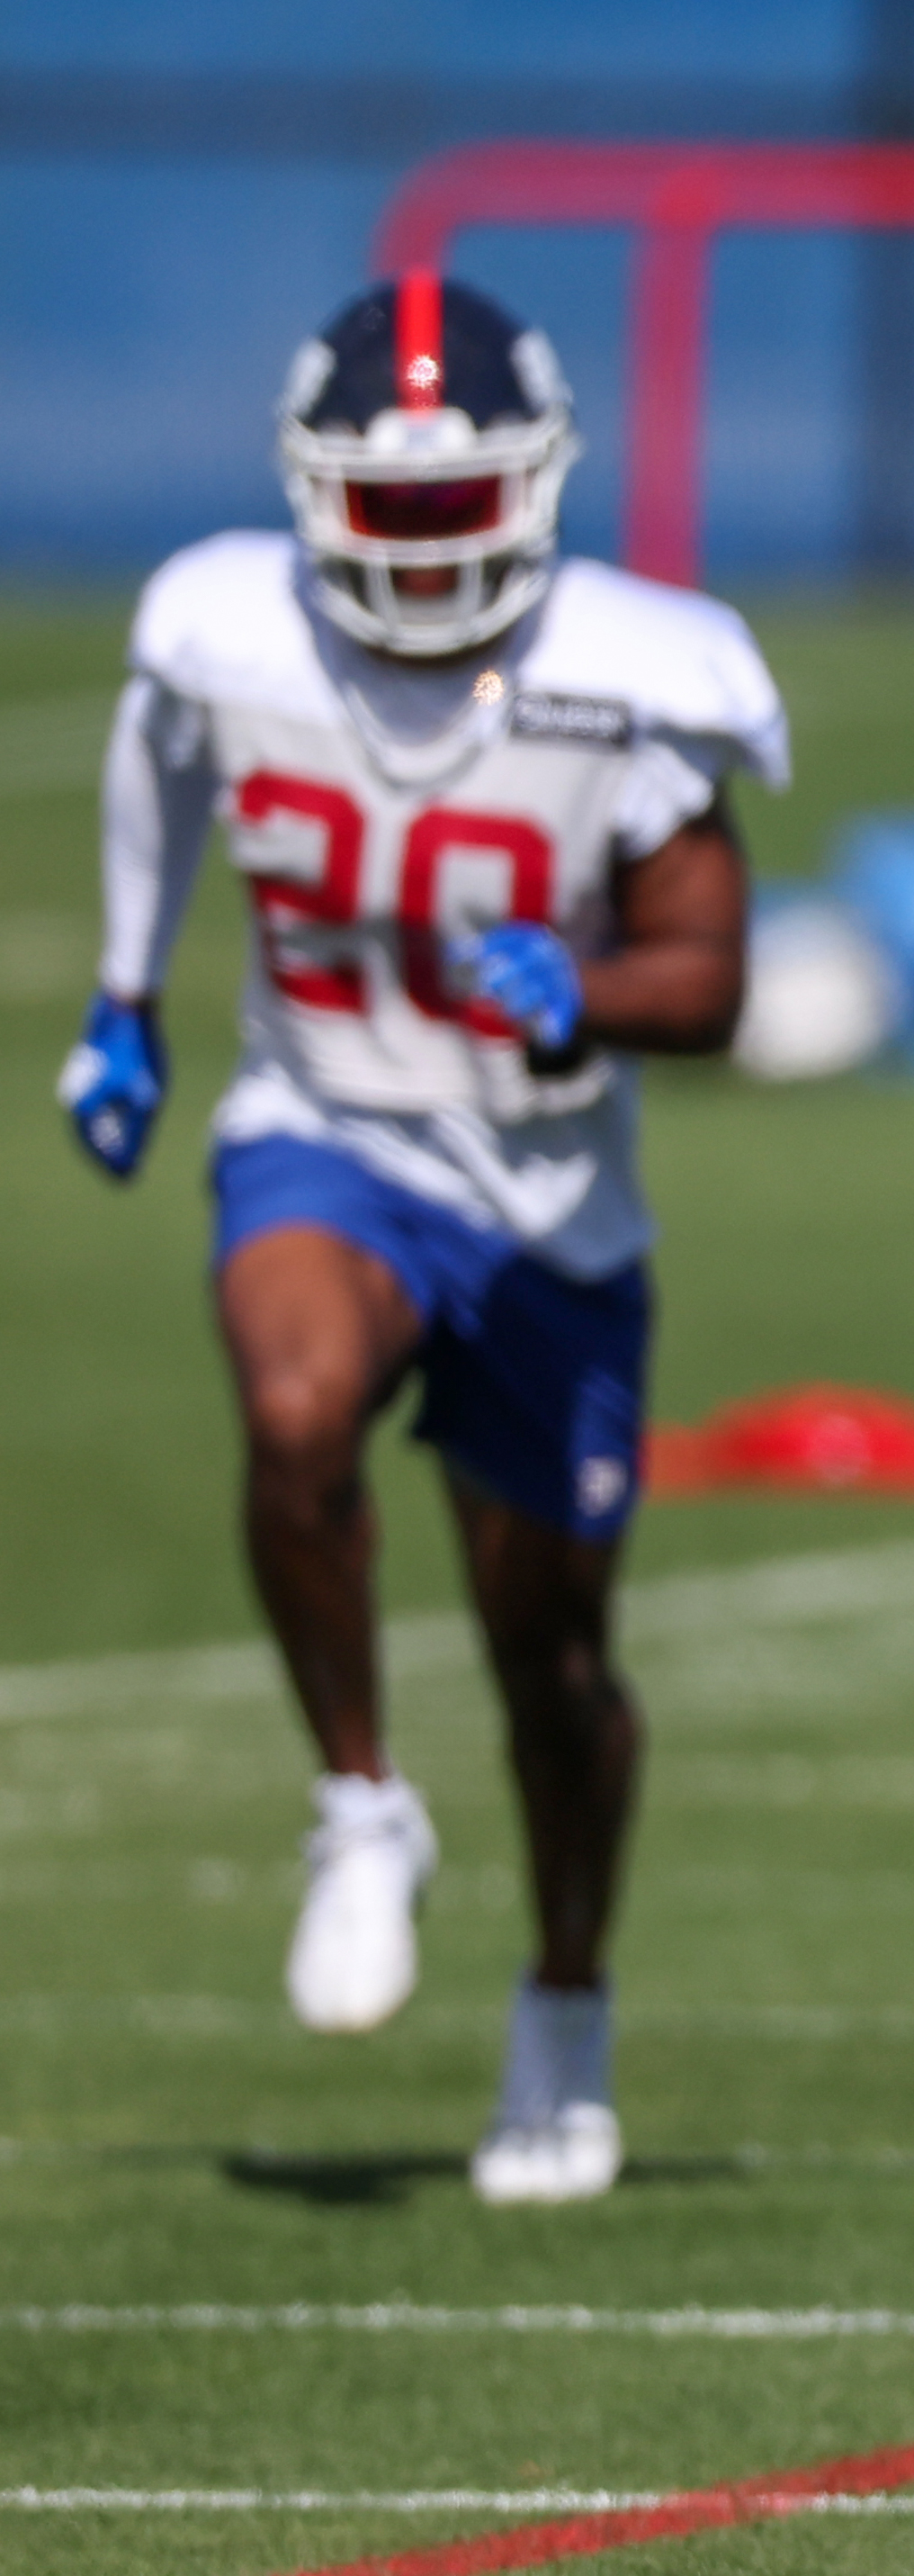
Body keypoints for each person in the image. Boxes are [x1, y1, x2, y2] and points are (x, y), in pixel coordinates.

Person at [55, 271, 787, 2203]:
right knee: (294, 1416)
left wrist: (588, 998)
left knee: (551, 1657)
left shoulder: (635, 671)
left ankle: (563, 2004)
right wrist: (125, 993)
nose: (423, 542)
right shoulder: (229, 631)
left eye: (460, 502)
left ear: (537, 489)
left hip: (548, 1196)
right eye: (384, 507)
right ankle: (359, 1804)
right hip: (329, 1131)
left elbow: (714, 979)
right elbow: (155, 753)